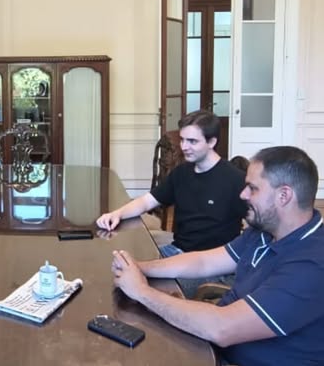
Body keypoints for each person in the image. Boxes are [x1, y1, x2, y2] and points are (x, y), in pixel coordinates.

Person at [111, 146, 324, 366]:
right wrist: (139, 267)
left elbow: (222, 328)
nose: (243, 194)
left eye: (252, 188)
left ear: (284, 196)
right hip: (212, 348)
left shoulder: (312, 265)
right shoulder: (265, 231)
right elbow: (203, 262)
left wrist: (141, 291)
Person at [97, 109, 247, 252]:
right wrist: (117, 214)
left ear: (212, 142)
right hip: (177, 251)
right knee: (121, 259)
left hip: (212, 262)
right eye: (182, 140)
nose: (184, 147)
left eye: (192, 141)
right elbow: (147, 202)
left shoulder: (236, 179)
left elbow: (255, 225)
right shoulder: (181, 173)